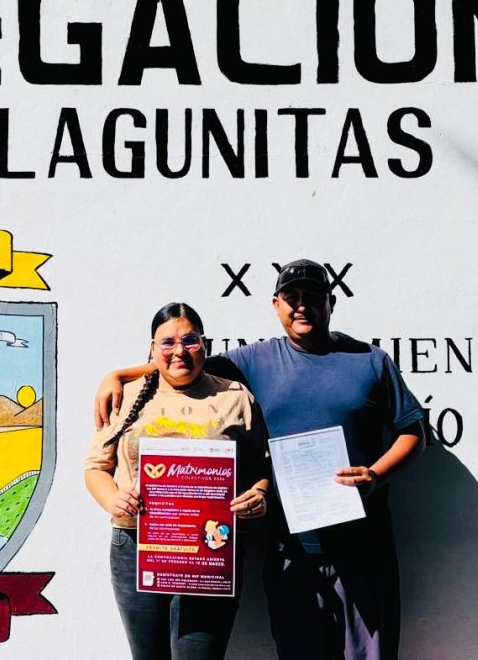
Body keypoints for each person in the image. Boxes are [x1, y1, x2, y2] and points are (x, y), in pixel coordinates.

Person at [95, 262, 425, 660]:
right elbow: (182, 362)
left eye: (313, 297)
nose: (301, 306)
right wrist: (119, 374)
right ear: (276, 305)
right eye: (292, 298)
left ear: (331, 303)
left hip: (362, 545)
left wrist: (375, 475)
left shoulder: (370, 360)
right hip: (291, 551)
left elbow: (414, 432)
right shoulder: (253, 362)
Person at [85, 302, 271, 660]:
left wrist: (258, 495)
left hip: (211, 548)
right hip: (136, 547)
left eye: (190, 340)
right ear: (152, 349)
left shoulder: (234, 397)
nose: (179, 351)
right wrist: (113, 499)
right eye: (167, 342)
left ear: (205, 344)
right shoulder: (124, 396)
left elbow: (260, 468)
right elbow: (95, 467)